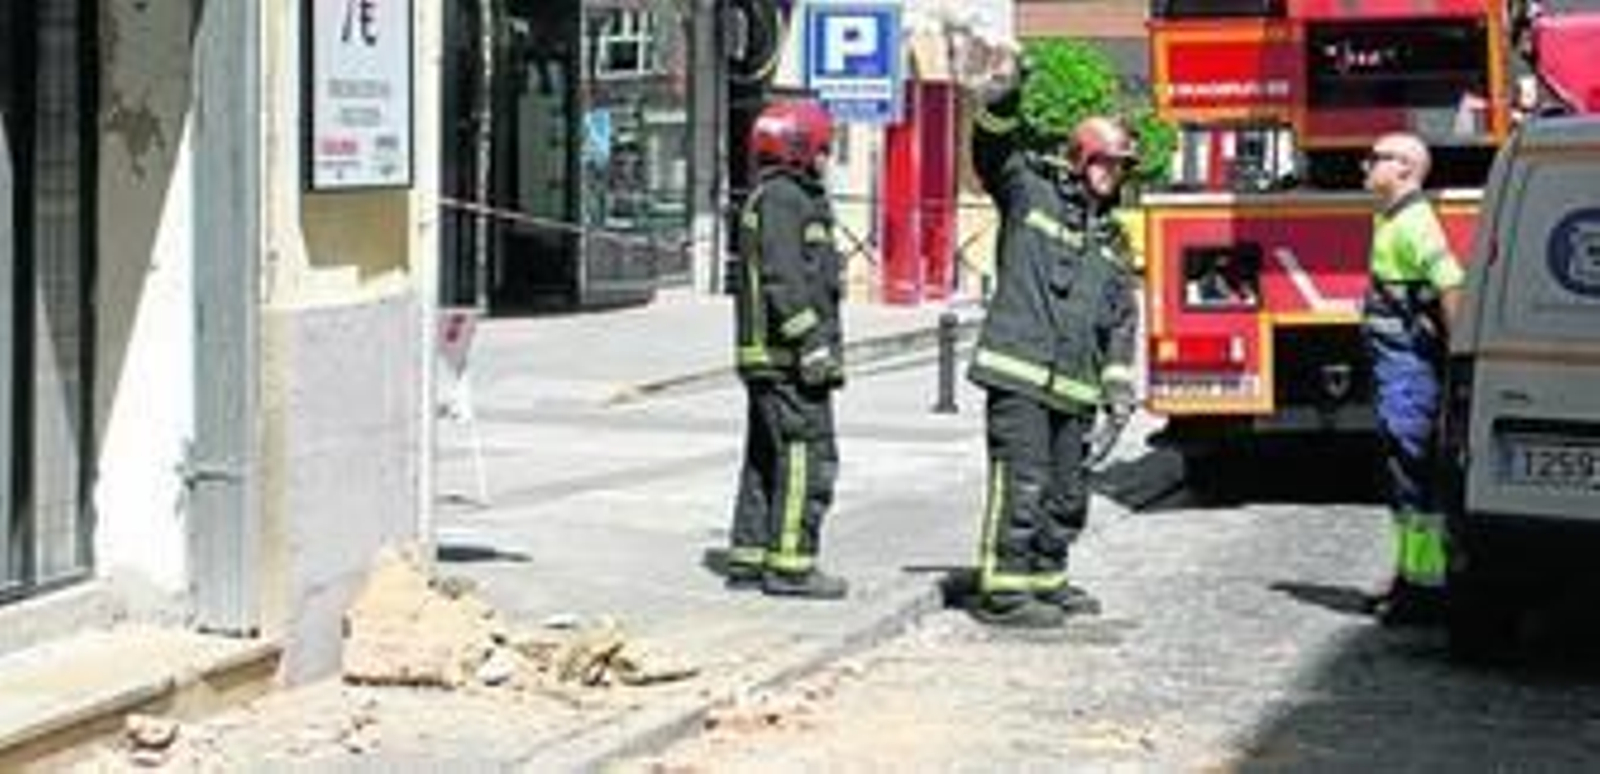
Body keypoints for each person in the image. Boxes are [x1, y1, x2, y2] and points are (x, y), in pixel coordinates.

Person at [963, 50, 1141, 629]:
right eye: (1107, 163)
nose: (1114, 175)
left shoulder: (1113, 239)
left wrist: (1117, 386)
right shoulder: (1030, 195)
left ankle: (1046, 577)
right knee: (1023, 482)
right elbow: (993, 151)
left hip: (1075, 385)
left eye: (1122, 167)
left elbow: (1120, 319)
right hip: (1019, 372)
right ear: (1082, 158)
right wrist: (1008, 95)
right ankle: (1005, 589)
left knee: (1067, 493)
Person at [721, 98, 849, 600]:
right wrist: (813, 343)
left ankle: (750, 557)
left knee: (765, 459)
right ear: (802, 148)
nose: (825, 159)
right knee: (806, 457)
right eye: (822, 149)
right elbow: (784, 280)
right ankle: (792, 564)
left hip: (772, 358)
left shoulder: (774, 196)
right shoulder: (784, 200)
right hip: (787, 359)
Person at [1360, 132, 1463, 625]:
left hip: (1410, 371)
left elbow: (1449, 286)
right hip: (1398, 369)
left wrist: (1460, 357)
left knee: (1415, 479)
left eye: (1376, 158)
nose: (1366, 164)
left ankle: (1425, 589)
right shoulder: (1392, 217)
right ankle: (1411, 576)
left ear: (1404, 169)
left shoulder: (1415, 223)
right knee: (1404, 479)